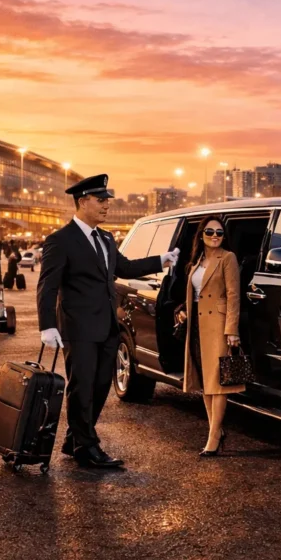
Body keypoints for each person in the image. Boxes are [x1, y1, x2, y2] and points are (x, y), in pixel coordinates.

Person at [37, 174, 178, 468]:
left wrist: (160, 260)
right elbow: (48, 286)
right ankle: (87, 447)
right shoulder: (61, 240)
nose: (106, 207)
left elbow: (124, 267)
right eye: (101, 201)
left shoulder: (105, 238)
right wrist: (47, 325)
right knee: (82, 387)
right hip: (79, 328)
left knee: (101, 385)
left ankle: (75, 439)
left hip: (107, 326)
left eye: (107, 202)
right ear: (82, 201)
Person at [181, 216, 242, 456]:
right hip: (196, 324)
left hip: (218, 324)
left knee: (217, 383)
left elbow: (233, 294)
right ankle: (214, 429)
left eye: (219, 232)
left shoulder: (228, 258)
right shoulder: (197, 260)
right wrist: (184, 312)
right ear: (201, 235)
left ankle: (214, 435)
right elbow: (194, 293)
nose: (215, 236)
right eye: (210, 232)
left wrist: (232, 330)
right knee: (206, 383)